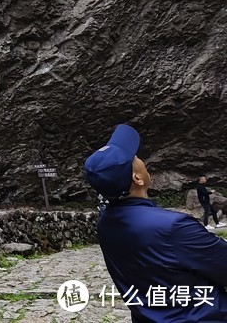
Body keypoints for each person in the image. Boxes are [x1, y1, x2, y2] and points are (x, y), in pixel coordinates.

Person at [85, 124, 227, 321]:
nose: (140, 158)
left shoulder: (105, 225)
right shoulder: (174, 227)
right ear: (137, 178)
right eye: (135, 157)